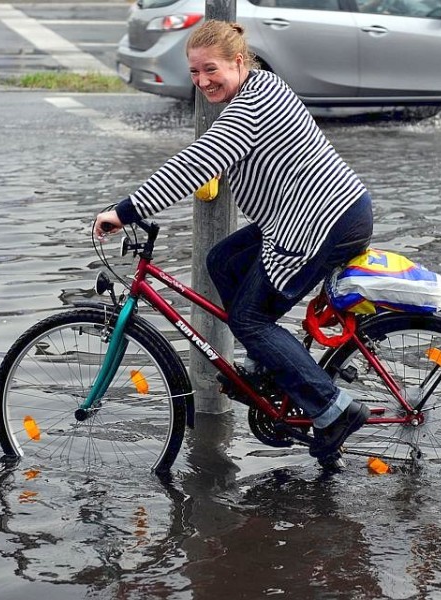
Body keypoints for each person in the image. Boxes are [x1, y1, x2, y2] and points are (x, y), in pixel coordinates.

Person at [94, 20, 373, 463]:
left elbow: (196, 163)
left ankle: (333, 409)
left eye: (212, 70)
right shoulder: (260, 88)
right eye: (194, 73)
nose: (203, 81)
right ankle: (272, 369)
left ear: (239, 62)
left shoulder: (251, 108)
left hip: (324, 222)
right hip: (312, 212)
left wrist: (124, 211)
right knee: (222, 259)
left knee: (249, 321)